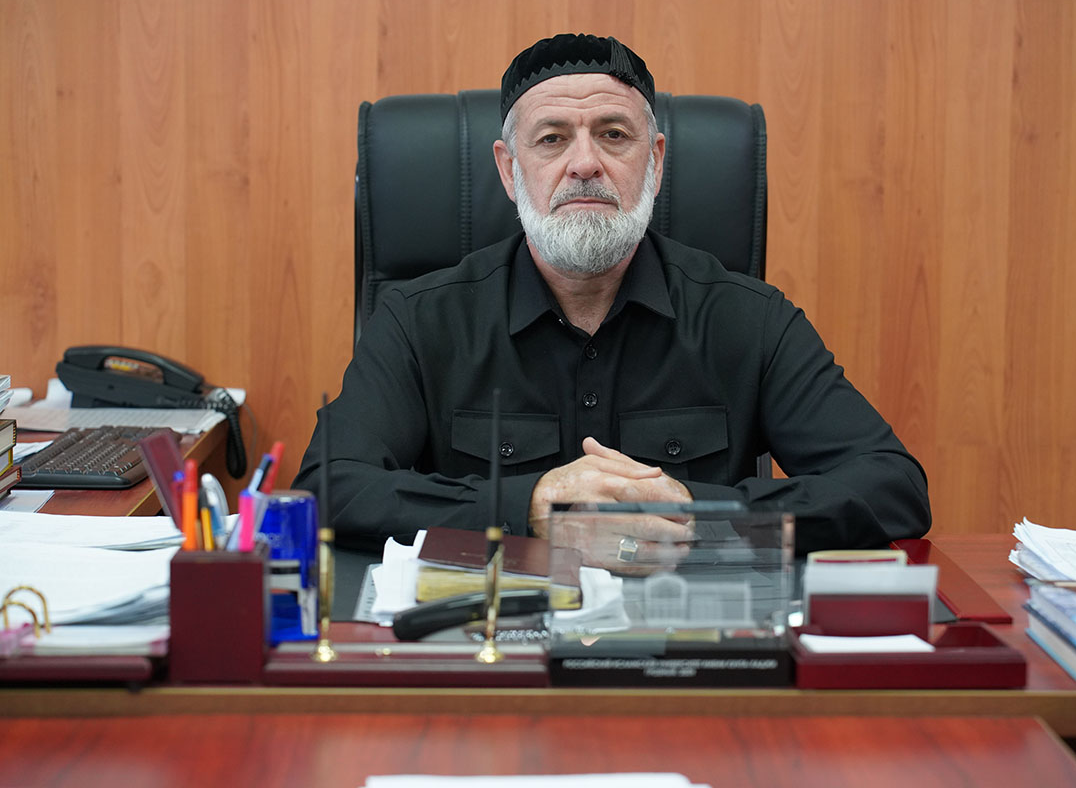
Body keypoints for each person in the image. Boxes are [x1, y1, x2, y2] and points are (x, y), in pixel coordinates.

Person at [294, 33, 931, 569]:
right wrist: (530, 506)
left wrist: (697, 514)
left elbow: (892, 485)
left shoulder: (750, 320)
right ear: (510, 171)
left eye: (614, 134)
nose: (584, 164)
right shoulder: (418, 322)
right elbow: (327, 488)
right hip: (488, 642)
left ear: (655, 161)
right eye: (551, 139)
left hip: (687, 646)